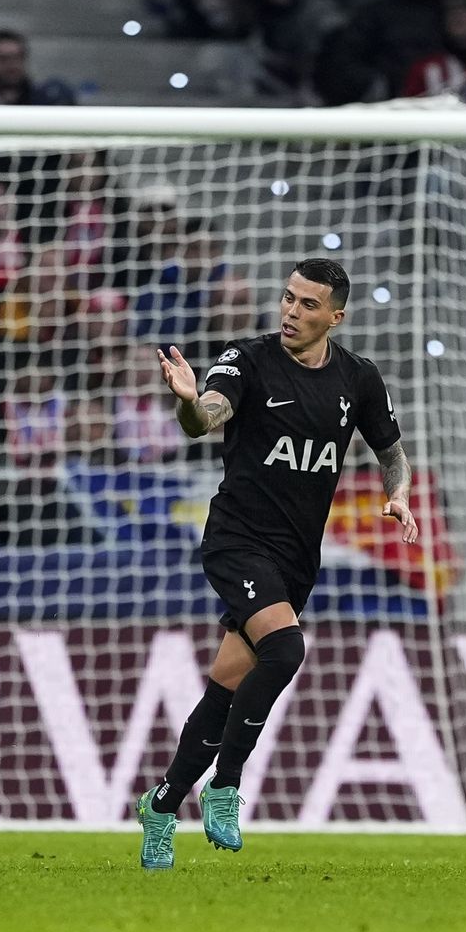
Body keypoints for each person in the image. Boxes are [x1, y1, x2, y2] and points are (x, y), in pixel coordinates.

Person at [135, 258, 417, 865]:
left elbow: (393, 453)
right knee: (286, 649)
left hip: (296, 556)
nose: (291, 311)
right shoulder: (248, 359)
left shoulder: (358, 379)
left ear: (335, 316)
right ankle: (227, 785)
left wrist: (398, 492)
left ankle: (161, 803)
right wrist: (189, 402)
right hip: (237, 539)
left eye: (308, 304)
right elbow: (205, 417)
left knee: (226, 689)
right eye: (288, 298)